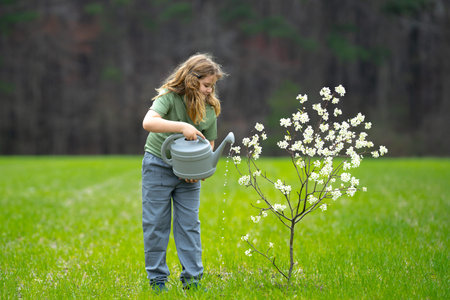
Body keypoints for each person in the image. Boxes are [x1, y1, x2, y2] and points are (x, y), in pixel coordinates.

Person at [141, 53, 225, 292]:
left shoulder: (209, 108)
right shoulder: (169, 97)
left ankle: (193, 280)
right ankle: (157, 281)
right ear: (191, 79)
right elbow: (148, 122)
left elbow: (208, 144)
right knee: (156, 224)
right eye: (206, 85)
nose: (210, 90)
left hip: (187, 175)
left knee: (189, 225)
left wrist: (196, 170)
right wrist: (182, 126)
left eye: (212, 86)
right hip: (158, 164)